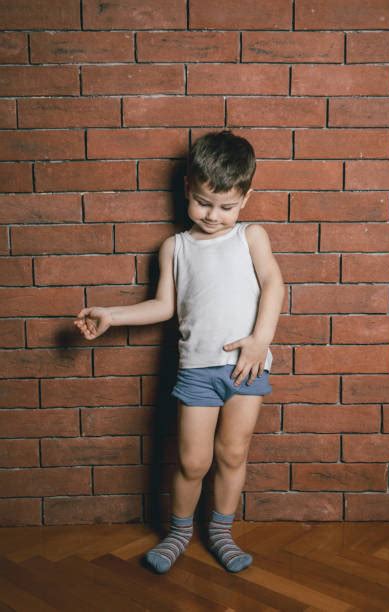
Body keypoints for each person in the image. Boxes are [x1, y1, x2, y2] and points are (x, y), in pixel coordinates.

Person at [74, 130, 285, 574]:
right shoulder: (175, 247)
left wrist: (261, 339)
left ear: (245, 198)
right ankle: (179, 531)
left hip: (246, 368)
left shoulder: (251, 236)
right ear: (188, 186)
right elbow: (163, 306)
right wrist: (112, 314)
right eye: (205, 202)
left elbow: (273, 284)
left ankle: (222, 531)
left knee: (232, 454)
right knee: (193, 460)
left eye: (226, 206)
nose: (213, 215)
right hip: (197, 371)